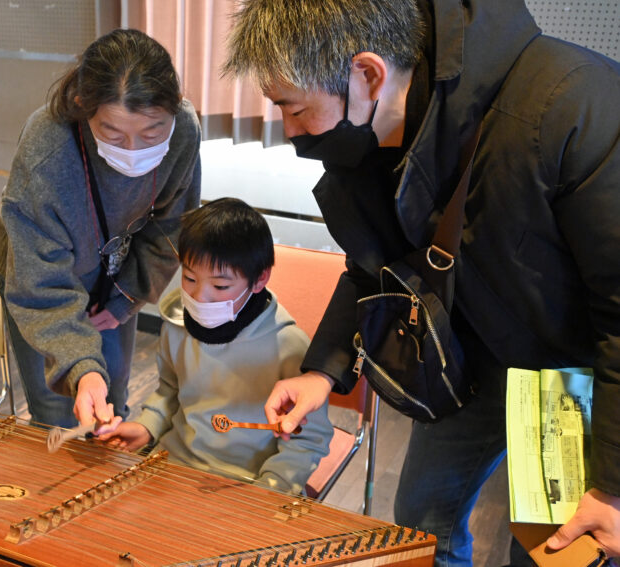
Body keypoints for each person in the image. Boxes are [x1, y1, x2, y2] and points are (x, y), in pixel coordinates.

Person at [222, 0, 620, 564]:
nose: (289, 132)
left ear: (367, 75)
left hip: (584, 380)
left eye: (295, 109)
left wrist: (613, 484)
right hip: (470, 363)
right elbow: (371, 267)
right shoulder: (365, 142)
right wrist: (322, 370)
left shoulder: (572, 104)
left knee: (555, 551)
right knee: (420, 524)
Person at [0, 29, 201, 430]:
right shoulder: (47, 153)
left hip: (113, 272)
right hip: (38, 278)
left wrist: (125, 298)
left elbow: (172, 225)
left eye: (152, 132)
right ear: (82, 108)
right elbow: (39, 286)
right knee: (59, 412)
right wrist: (82, 367)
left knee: (112, 402)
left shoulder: (184, 132)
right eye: (113, 133)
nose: (134, 150)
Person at [99, 198, 333, 494]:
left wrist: (273, 488)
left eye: (220, 287)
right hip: (174, 464)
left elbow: (307, 439)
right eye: (189, 278)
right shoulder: (177, 325)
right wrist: (147, 426)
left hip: (249, 484)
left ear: (259, 279)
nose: (200, 297)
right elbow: (170, 392)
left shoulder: (290, 347)